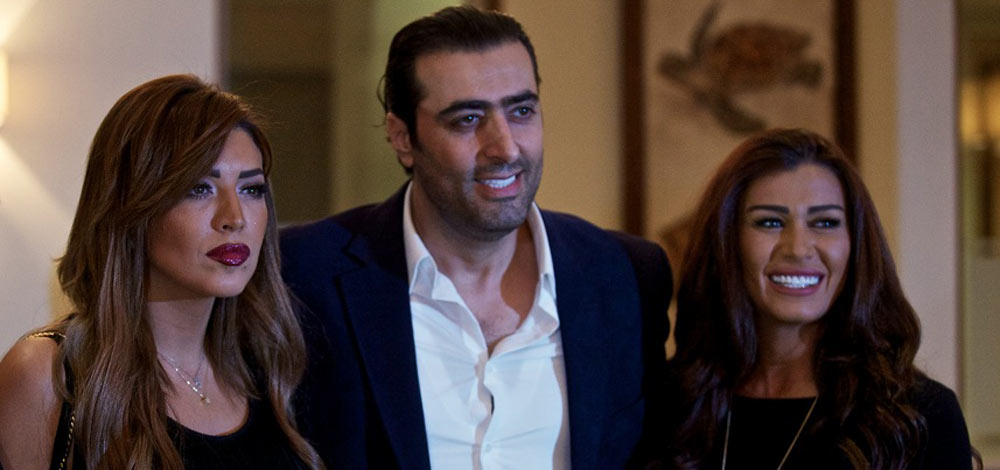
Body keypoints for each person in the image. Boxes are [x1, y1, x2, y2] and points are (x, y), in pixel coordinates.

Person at [280, 6, 672, 469]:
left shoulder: (625, 274)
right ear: (402, 137)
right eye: (467, 119)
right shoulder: (304, 275)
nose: (505, 147)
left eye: (521, 111)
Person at [0, 75, 323, 469]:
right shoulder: (46, 374)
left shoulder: (270, 367)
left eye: (251, 189)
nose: (235, 217)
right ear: (131, 205)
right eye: (199, 188)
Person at [664, 128, 975, 469]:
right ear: (727, 240)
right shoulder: (671, 404)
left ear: (856, 243)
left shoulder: (920, 416)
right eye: (769, 222)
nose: (798, 249)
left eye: (825, 222)